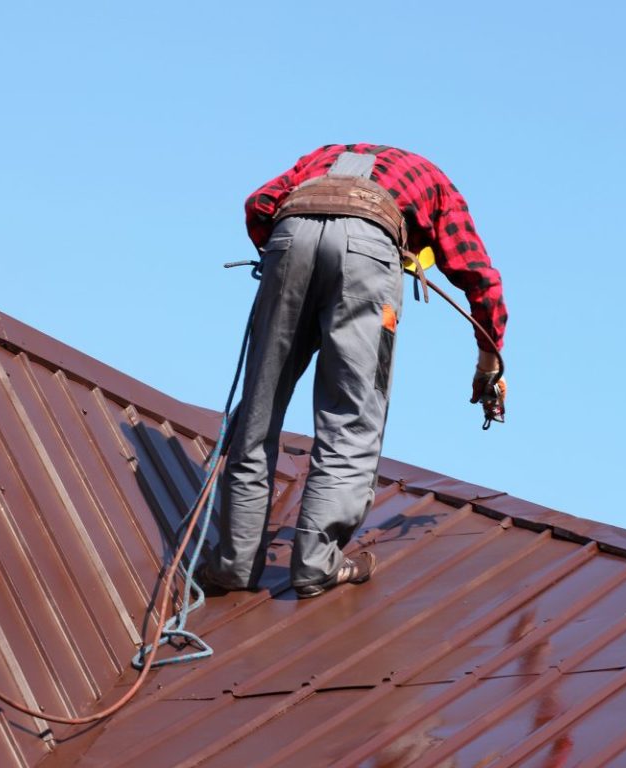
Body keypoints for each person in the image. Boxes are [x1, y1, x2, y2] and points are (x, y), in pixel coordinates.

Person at [199, 143, 507, 599]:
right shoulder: (436, 183)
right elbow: (478, 276)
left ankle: (234, 564)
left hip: (289, 238)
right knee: (351, 416)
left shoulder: (323, 156)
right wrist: (489, 358)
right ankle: (316, 565)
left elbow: (260, 203)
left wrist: (291, 259)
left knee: (258, 412)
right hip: (368, 251)